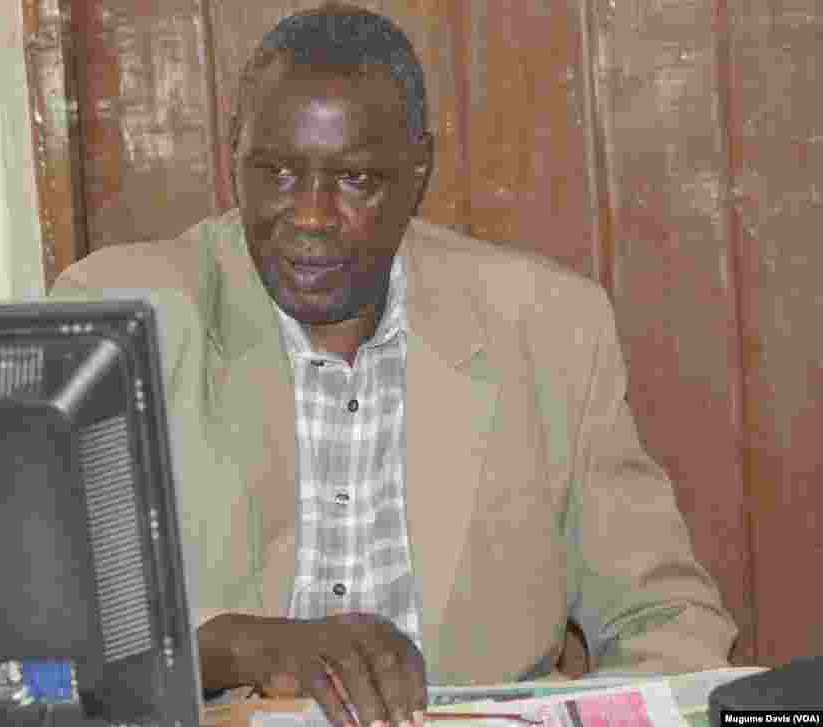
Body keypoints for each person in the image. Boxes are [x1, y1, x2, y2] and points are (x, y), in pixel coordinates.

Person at [52, 4, 737, 727]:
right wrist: (237, 648)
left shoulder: (548, 331)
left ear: (417, 174)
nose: (310, 215)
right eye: (278, 173)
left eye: (355, 180)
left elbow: (669, 620)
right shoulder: (127, 324)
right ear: (234, 157)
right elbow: (46, 648)